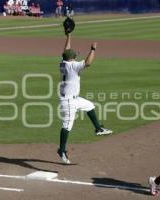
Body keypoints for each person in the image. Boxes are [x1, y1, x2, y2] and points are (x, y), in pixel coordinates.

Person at [57, 32, 113, 164]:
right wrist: (93, 49)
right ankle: (62, 150)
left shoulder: (63, 63)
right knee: (67, 126)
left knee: (89, 106)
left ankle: (98, 128)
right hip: (68, 101)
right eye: (75, 55)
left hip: (74, 99)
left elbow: (66, 51)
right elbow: (87, 63)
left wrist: (69, 35)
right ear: (72, 58)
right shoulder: (73, 66)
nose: (76, 55)